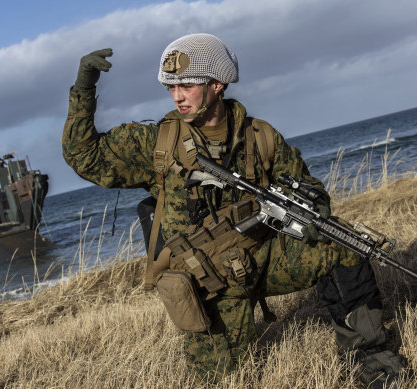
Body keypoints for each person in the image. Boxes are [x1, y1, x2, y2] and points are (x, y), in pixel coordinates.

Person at [62, 34, 406, 387]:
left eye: (186, 85)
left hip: (266, 258)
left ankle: (371, 357)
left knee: (342, 243)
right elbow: (84, 158)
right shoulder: (155, 143)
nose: (177, 95)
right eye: (170, 87)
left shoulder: (260, 136)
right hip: (212, 284)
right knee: (226, 380)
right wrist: (83, 89)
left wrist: (314, 212)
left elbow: (309, 189)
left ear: (216, 84)